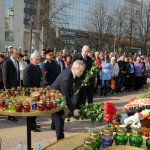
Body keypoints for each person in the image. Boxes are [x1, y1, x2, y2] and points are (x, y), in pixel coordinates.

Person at [51, 60, 85, 140]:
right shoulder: (67, 78)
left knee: (57, 116)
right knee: (60, 118)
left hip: (59, 93)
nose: (82, 73)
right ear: (75, 68)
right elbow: (65, 96)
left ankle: (53, 126)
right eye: (80, 71)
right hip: (55, 96)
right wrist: (73, 110)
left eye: (82, 71)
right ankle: (60, 139)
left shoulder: (71, 72)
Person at [23, 52, 42, 132]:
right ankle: (30, 127)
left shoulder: (37, 67)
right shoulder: (28, 68)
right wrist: (34, 89)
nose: (38, 61)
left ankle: (33, 123)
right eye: (36, 59)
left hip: (36, 92)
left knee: (35, 109)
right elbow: (26, 83)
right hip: (30, 92)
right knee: (31, 109)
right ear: (31, 59)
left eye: (38, 59)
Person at [2, 49, 20, 122]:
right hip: (9, 86)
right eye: (16, 53)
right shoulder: (7, 62)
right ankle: (10, 116)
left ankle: (13, 113)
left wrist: (18, 85)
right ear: (11, 54)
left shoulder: (17, 62)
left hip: (15, 85)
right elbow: (5, 76)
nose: (18, 55)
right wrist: (7, 87)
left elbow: (17, 74)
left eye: (18, 53)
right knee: (10, 101)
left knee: (14, 100)